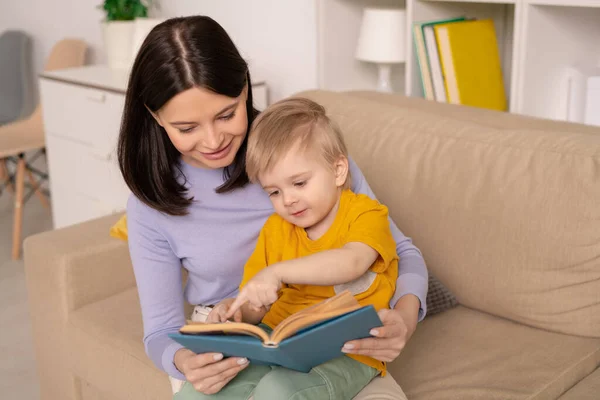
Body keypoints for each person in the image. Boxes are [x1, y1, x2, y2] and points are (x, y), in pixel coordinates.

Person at [118, 15, 428, 399]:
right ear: (155, 116)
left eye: (227, 114)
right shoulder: (150, 206)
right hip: (236, 329)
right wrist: (183, 360)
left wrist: (405, 319)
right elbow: (159, 331)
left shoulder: (301, 150)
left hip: (334, 323)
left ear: (245, 87)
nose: (214, 140)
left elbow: (399, 252)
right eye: (187, 128)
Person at [180, 97, 398, 400]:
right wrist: (236, 312)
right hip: (279, 342)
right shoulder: (275, 230)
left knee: (278, 391)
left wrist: (278, 272)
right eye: (274, 191)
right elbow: (256, 307)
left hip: (348, 349)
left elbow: (352, 261)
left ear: (337, 171)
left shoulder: (366, 213)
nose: (288, 200)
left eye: (299, 183)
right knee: (197, 393)